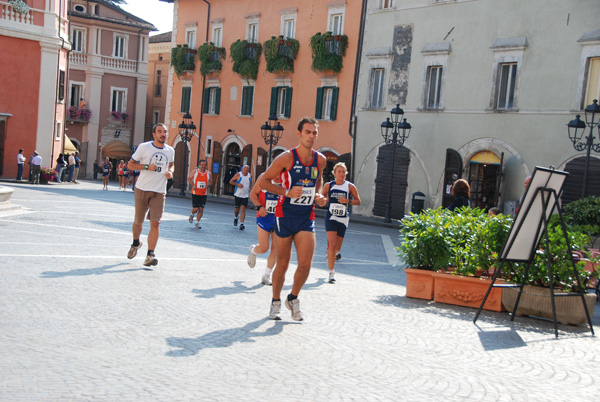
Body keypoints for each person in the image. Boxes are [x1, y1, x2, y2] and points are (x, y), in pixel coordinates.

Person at [259, 116, 327, 321]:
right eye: (307, 132)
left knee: (306, 264)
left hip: (306, 216)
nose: (311, 136)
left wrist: (319, 194)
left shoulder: (320, 159)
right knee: (283, 264)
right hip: (284, 215)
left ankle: (293, 298)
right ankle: (275, 301)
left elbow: (319, 181)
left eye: (314, 132)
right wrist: (286, 191)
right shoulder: (286, 158)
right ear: (299, 133)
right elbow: (264, 181)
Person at [126, 123, 175, 267]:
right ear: (154, 134)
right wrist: (147, 166)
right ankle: (136, 243)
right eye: (159, 132)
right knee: (138, 222)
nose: (162, 134)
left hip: (159, 191)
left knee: (155, 222)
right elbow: (130, 165)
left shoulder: (170, 150)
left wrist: (170, 172)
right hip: (142, 188)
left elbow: (171, 164)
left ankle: (150, 254)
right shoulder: (144, 147)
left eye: (165, 132)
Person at [321, 162, 361, 284]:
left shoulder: (350, 186)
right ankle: (331, 273)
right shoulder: (329, 185)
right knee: (332, 245)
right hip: (331, 217)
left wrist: (347, 200)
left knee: (337, 248)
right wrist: (324, 200)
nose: (341, 174)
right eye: (339, 171)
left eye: (343, 172)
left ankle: (331, 255)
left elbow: (358, 201)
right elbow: (321, 199)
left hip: (343, 218)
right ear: (334, 173)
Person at [248, 172, 281, 286]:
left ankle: (266, 276)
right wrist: (259, 207)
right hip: (264, 216)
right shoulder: (264, 177)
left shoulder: (287, 179)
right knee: (263, 248)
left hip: (279, 218)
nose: (277, 175)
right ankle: (253, 250)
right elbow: (253, 194)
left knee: (275, 249)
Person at [187, 159, 212, 229]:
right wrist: (193, 185)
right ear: (199, 165)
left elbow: (211, 182)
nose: (203, 166)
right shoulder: (195, 172)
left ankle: (197, 223)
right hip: (195, 193)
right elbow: (189, 179)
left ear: (206, 166)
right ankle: (192, 214)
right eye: (202, 165)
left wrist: (208, 185)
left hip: (203, 194)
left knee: (201, 209)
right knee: (195, 209)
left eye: (204, 165)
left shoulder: (208, 173)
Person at [229, 164, 252, 230]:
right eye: (244, 170)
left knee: (243, 209)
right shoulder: (238, 175)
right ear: (242, 169)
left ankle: (242, 223)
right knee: (237, 209)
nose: (245, 172)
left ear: (248, 170)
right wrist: (237, 184)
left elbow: (250, 184)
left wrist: (251, 188)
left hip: (245, 195)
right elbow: (231, 181)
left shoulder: (250, 176)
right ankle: (236, 217)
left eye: (246, 170)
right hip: (238, 194)